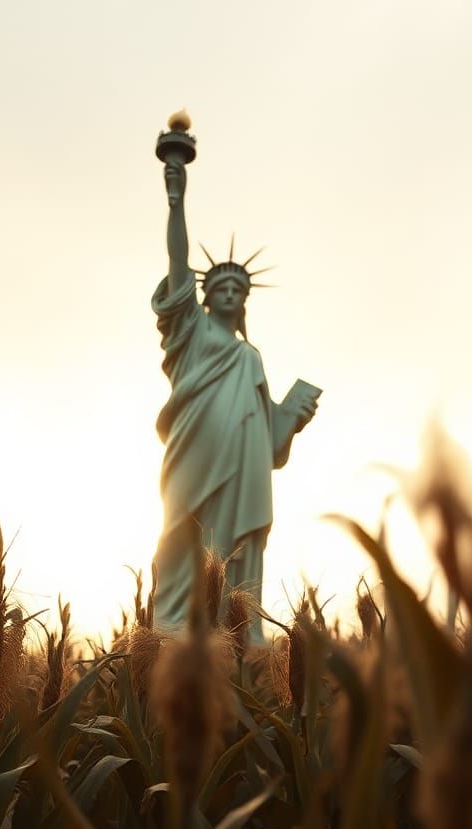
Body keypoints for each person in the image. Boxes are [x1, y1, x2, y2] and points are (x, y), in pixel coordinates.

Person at [151, 156, 318, 640]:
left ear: (245, 300)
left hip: (245, 466)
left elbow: (270, 440)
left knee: (238, 547)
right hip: (195, 452)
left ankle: (238, 632)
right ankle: (172, 631)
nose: (229, 293)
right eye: (220, 287)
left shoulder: (251, 357)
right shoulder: (191, 332)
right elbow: (178, 264)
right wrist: (176, 200)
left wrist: (294, 417)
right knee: (184, 535)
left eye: (237, 288)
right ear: (203, 298)